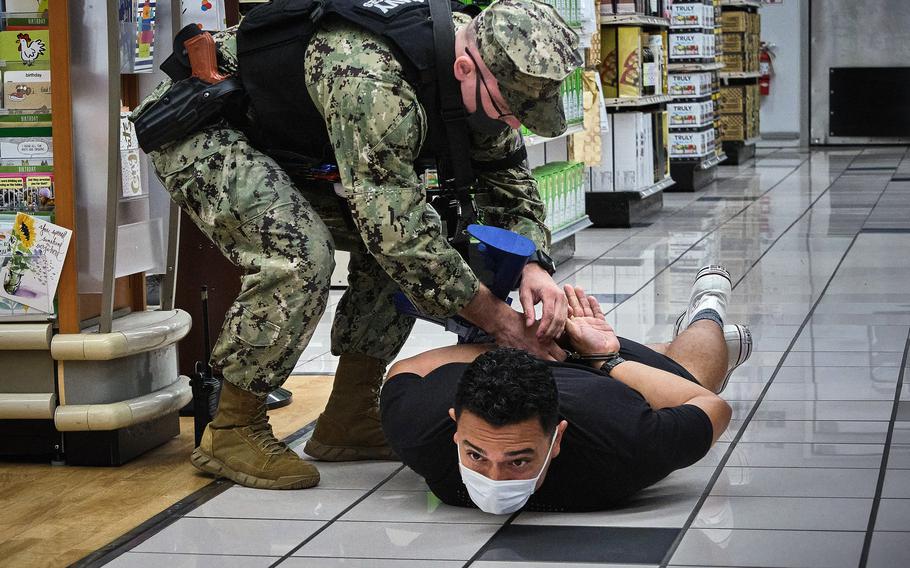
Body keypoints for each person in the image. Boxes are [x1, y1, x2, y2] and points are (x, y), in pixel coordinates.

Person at [131, 0, 582, 490]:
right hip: (205, 128)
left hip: (298, 146)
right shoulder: (374, 82)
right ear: (464, 68)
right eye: (508, 110)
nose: (513, 124)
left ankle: (349, 415)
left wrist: (533, 266)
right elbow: (399, 234)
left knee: (396, 247)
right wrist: (500, 321)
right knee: (301, 254)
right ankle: (233, 427)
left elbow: (508, 179)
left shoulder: (483, 76)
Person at [381, 266, 752, 513]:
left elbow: (710, 404)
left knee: (690, 375)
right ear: (455, 429)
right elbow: (406, 369)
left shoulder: (625, 444)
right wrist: (511, 343)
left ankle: (707, 309)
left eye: (519, 461)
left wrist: (605, 359)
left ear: (556, 439)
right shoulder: (417, 428)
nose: (494, 479)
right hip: (501, 361)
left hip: (598, 370)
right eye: (476, 455)